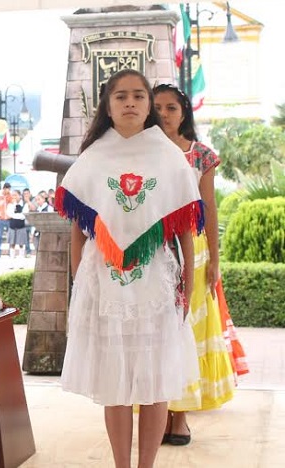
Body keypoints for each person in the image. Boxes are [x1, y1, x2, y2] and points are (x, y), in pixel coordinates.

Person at [55, 69, 202, 468]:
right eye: (121, 97)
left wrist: (188, 279)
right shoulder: (94, 156)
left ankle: (147, 464)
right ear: (107, 104)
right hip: (104, 281)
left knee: (155, 380)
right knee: (114, 381)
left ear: (148, 104)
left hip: (156, 280)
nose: (131, 103)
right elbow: (78, 227)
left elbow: (183, 225)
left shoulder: (167, 154)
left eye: (139, 96)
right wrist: (77, 279)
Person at [154, 83, 247, 446]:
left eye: (171, 108)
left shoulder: (201, 156)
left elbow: (208, 208)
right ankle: (155, 411)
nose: (164, 114)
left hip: (191, 249)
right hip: (152, 249)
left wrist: (215, 261)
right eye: (158, 107)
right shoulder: (142, 153)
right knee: (157, 329)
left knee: (185, 329)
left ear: (184, 113)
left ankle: (179, 417)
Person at [6, 190, 28, 269]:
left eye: (15, 195)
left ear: (19, 195)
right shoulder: (10, 205)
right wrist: (15, 214)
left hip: (21, 227)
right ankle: (11, 263)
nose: (14, 197)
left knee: (21, 245)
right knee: (12, 245)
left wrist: (14, 215)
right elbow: (9, 214)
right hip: (12, 227)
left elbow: (24, 216)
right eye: (13, 195)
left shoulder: (24, 205)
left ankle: (21, 263)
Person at [21, 188, 36, 256]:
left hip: (32, 223)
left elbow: (33, 208)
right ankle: (28, 252)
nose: (26, 195)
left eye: (27, 194)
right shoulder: (22, 202)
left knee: (33, 238)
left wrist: (28, 201)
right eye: (24, 194)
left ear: (30, 194)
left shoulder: (33, 200)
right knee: (26, 239)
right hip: (24, 223)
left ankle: (36, 250)